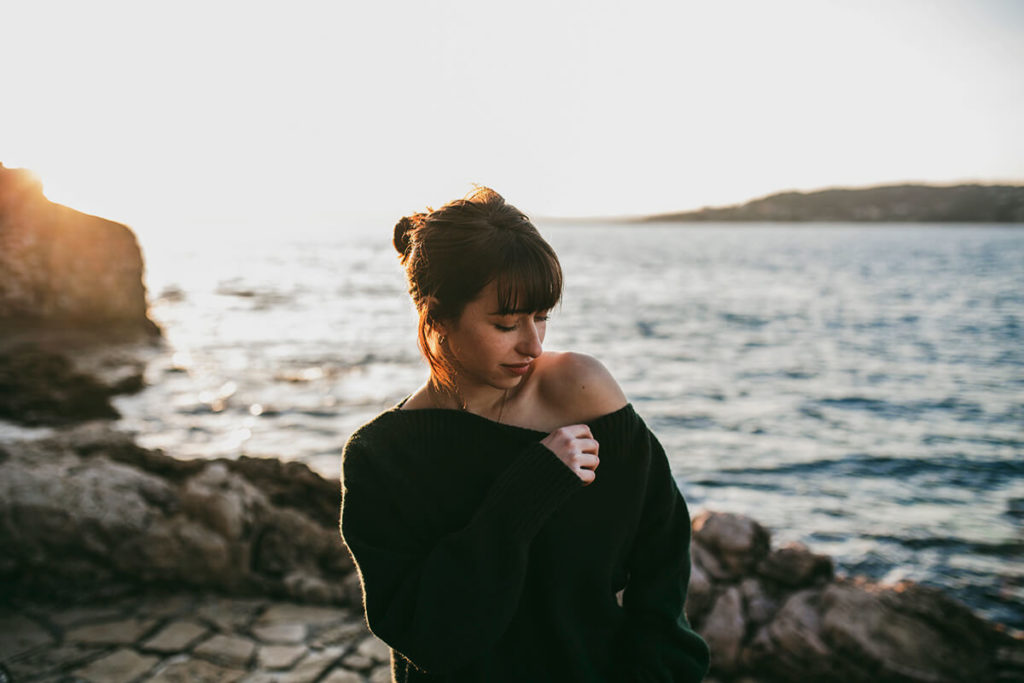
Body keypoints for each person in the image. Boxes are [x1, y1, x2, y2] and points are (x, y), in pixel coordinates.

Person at [339, 187, 710, 682]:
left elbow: (662, 551)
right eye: (506, 323)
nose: (533, 345)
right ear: (439, 316)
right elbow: (431, 634)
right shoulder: (380, 457)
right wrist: (528, 490)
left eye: (541, 318)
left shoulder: (581, 392)